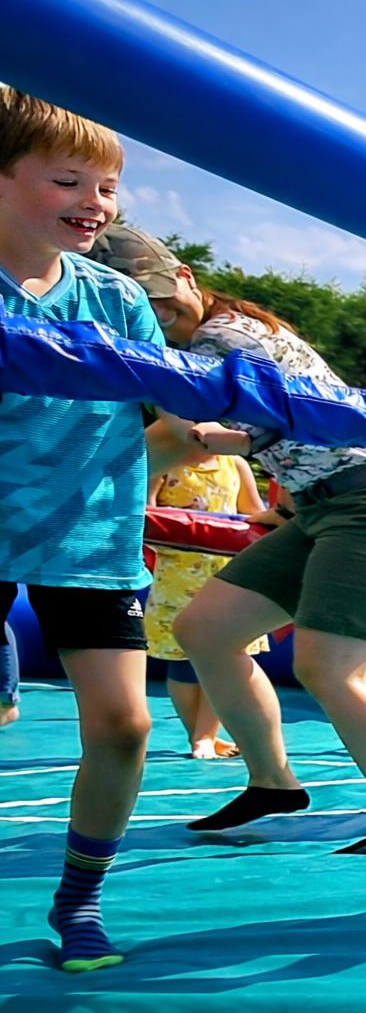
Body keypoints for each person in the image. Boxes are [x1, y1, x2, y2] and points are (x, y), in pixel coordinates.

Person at [91, 224, 366, 856]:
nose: (159, 315)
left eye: (162, 297)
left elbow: (181, 436)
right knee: (205, 628)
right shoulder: (226, 335)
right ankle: (272, 781)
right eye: (141, 309)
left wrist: (84, 485)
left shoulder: (218, 338)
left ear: (187, 279)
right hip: (321, 508)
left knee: (328, 668)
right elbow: (272, 426)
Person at [0, 88, 206, 972]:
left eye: (110, 187)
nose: (97, 203)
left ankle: (79, 901)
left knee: (125, 726)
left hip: (88, 534)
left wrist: (244, 422)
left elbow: (167, 418)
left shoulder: (115, 297)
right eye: (69, 179)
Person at [146, 454, 270, 759]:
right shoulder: (164, 464)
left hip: (226, 577)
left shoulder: (234, 464)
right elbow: (146, 515)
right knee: (182, 660)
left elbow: (254, 513)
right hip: (176, 580)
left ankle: (205, 735)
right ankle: (199, 734)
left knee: (223, 658)